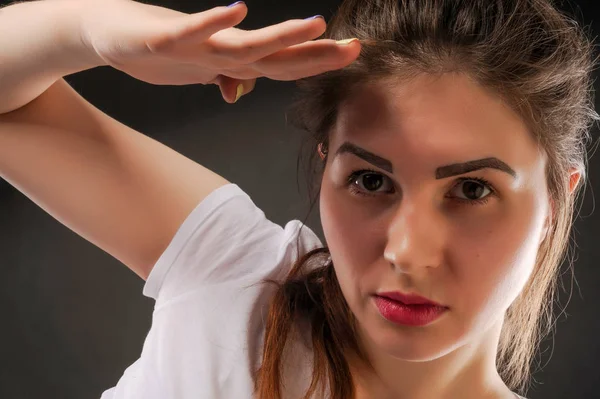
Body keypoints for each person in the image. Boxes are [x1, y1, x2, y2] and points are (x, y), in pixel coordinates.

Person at [0, 0, 596, 398]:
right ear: (325, 166)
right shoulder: (234, 280)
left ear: (554, 203)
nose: (410, 253)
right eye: (370, 181)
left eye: (472, 190)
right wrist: (90, 32)